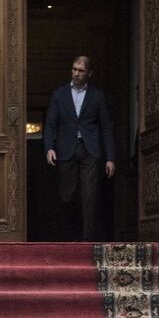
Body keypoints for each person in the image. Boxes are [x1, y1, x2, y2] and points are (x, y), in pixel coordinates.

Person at [43, 55, 115, 242]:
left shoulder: (97, 96)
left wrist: (110, 158)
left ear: (89, 73)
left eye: (81, 70)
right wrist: (49, 147)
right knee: (67, 196)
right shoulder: (59, 95)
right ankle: (71, 237)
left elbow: (106, 127)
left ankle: (87, 239)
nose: (76, 73)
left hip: (89, 150)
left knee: (89, 196)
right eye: (74, 69)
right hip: (65, 149)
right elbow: (50, 124)